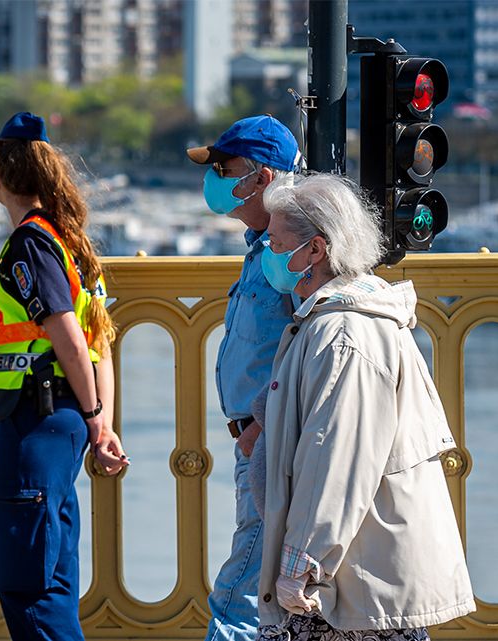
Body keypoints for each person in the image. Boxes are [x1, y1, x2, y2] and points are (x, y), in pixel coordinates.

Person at [256, 173, 475, 640]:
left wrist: (301, 566)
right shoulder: (336, 323)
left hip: (348, 589)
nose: (265, 254)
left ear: (315, 250)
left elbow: (335, 463)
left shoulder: (343, 335)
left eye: (273, 242)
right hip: (352, 577)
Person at [0, 111, 128, 640]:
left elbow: (69, 338)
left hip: (32, 424)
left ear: (0, 179)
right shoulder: (72, 245)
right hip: (64, 424)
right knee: (55, 577)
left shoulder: (30, 245)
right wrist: (100, 424)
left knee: (28, 586)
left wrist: (93, 416)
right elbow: (100, 342)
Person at [185, 114, 301, 641]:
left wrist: (259, 426)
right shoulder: (262, 244)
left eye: (226, 169)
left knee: (240, 601)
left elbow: (309, 341)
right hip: (255, 442)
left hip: (269, 443)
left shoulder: (290, 250)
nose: (214, 180)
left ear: (264, 178)